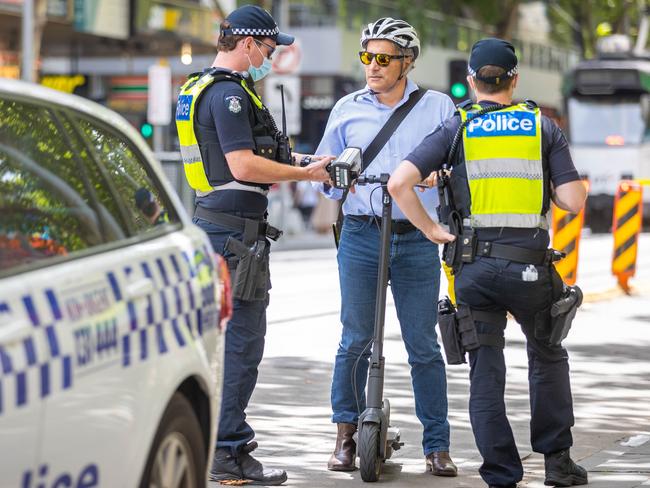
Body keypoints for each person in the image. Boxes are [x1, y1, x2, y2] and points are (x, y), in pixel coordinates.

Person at [389, 38, 588, 488]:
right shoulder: (542, 125)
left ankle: (501, 473)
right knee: (547, 356)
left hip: (473, 271)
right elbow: (573, 201)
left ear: (471, 81)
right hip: (531, 269)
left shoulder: (457, 127)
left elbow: (400, 183)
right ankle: (557, 462)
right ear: (514, 79)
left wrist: (431, 230)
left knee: (486, 369)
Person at [174, 5, 331, 485]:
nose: (271, 56)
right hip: (232, 235)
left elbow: (253, 157)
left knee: (230, 345)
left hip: (218, 225)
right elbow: (242, 166)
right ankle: (227, 453)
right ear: (247, 44)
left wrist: (307, 160)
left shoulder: (204, 87)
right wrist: (303, 174)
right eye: (268, 47)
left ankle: (228, 445)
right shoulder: (229, 97)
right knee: (243, 344)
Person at [315, 17, 458, 477]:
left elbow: (459, 166)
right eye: (366, 57)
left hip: (416, 238)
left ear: (407, 62)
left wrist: (440, 176)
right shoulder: (345, 109)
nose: (372, 67)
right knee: (354, 339)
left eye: (383, 59)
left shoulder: (438, 108)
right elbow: (326, 181)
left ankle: (437, 445)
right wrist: (333, 177)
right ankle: (345, 437)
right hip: (361, 233)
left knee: (423, 345)